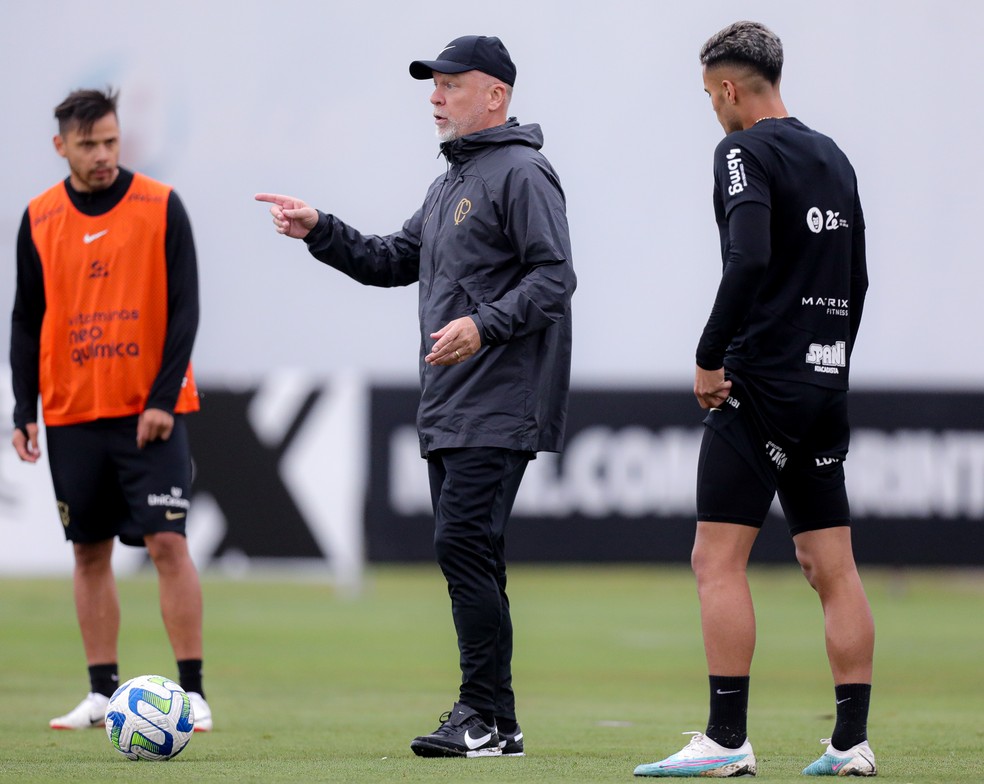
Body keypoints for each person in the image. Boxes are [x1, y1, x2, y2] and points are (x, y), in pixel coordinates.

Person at [256, 34, 575, 758]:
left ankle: (480, 715)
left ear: (495, 94)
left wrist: (482, 326)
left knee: (461, 544)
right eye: (434, 84)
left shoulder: (522, 172)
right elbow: (392, 258)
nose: (435, 96)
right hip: (453, 401)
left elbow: (555, 279)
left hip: (499, 398)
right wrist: (320, 230)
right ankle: (499, 722)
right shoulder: (450, 182)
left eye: (450, 84)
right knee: (475, 554)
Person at [634, 21, 874, 778]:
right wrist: (829, 364)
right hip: (824, 381)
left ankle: (726, 739)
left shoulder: (742, 151)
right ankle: (850, 744)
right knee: (832, 565)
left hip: (761, 381)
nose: (713, 109)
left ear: (730, 89)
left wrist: (710, 357)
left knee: (716, 558)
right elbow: (858, 278)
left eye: (711, 96)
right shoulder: (833, 155)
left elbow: (748, 258)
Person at [10, 88, 212, 732]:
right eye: (89, 144)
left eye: (111, 142)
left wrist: (161, 399)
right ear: (61, 146)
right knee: (88, 552)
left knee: (167, 542)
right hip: (72, 412)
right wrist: (23, 407)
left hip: (149, 412)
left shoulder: (160, 205)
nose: (102, 155)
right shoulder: (39, 217)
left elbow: (185, 308)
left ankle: (193, 694)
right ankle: (101, 693)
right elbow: (26, 319)